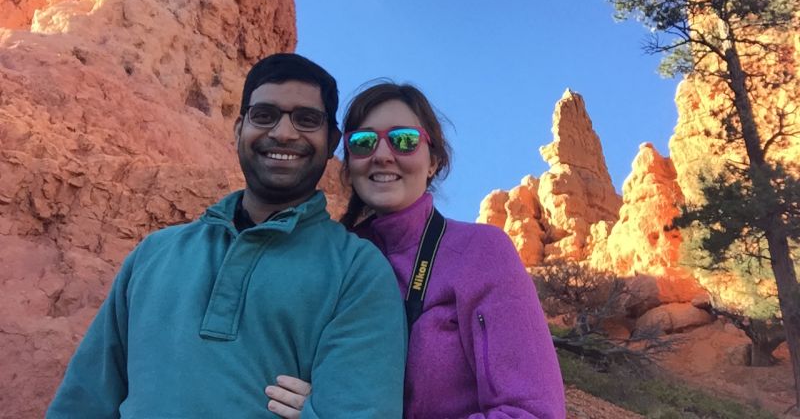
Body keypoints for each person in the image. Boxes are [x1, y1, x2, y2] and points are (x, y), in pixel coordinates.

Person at [47, 54, 407, 419]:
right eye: (264, 115)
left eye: (306, 119)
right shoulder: (154, 254)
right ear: (238, 130)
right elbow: (84, 399)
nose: (283, 133)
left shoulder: (357, 271)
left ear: (331, 142)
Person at [266, 82, 566, 419]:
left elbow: (533, 412)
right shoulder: (333, 259)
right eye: (363, 142)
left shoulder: (481, 252)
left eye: (404, 140)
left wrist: (340, 411)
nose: (382, 155)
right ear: (348, 165)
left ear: (433, 161)